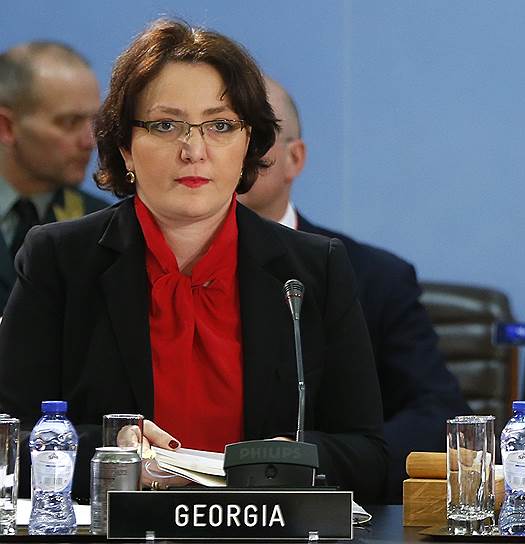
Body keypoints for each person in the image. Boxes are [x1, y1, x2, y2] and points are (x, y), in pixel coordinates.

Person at [0, 19, 387, 502]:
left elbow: (369, 455)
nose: (194, 150)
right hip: (117, 529)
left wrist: (295, 460)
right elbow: (9, 438)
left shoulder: (313, 269)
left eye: (220, 126)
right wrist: (112, 452)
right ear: (124, 147)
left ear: (248, 144)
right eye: (166, 125)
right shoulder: (59, 259)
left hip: (263, 528)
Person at [238, 77, 469, 502]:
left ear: (294, 158)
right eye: (221, 130)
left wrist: (325, 460)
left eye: (254, 139)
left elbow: (437, 413)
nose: (233, 155)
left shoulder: (375, 277)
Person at [0, 42, 109, 311]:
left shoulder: (102, 227)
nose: (89, 141)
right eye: (70, 123)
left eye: (94, 122)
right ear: (7, 127)